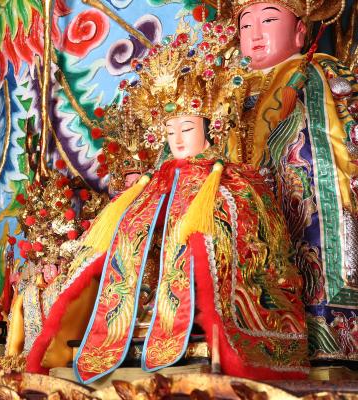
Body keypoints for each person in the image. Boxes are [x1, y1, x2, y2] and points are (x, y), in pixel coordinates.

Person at [25, 20, 309, 383]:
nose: (177, 140)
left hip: (202, 296)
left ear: (209, 129)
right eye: (170, 131)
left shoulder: (233, 183)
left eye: (187, 129)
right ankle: (139, 317)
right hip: (152, 296)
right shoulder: (153, 183)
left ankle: (198, 319)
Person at [228, 0, 358, 362]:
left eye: (269, 20)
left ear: (300, 32)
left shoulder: (316, 71)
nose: (256, 33)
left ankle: (328, 328)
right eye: (246, 25)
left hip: (304, 192)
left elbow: (343, 132)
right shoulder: (226, 87)